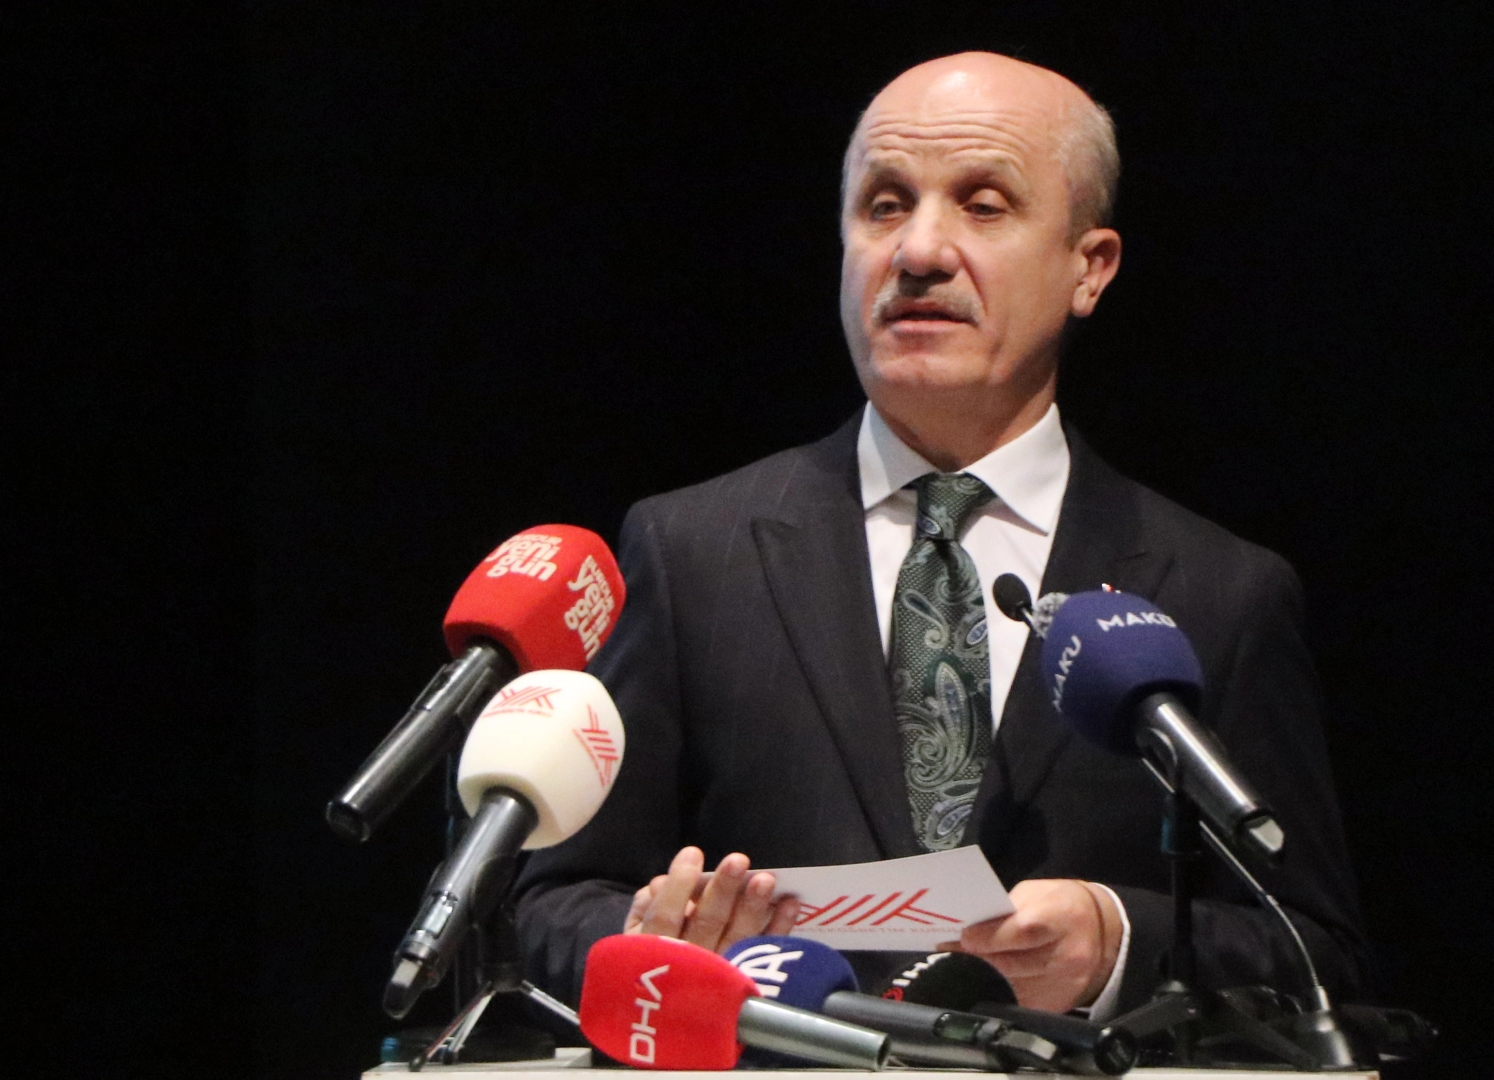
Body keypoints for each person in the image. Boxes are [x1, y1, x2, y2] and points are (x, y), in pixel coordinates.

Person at [512, 52, 1368, 1018]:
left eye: (984, 205)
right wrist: (651, 943)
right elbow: (549, 902)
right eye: (883, 206)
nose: (918, 251)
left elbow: (1314, 951)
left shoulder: (1221, 592)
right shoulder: (691, 552)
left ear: (1089, 268)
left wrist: (1119, 943)